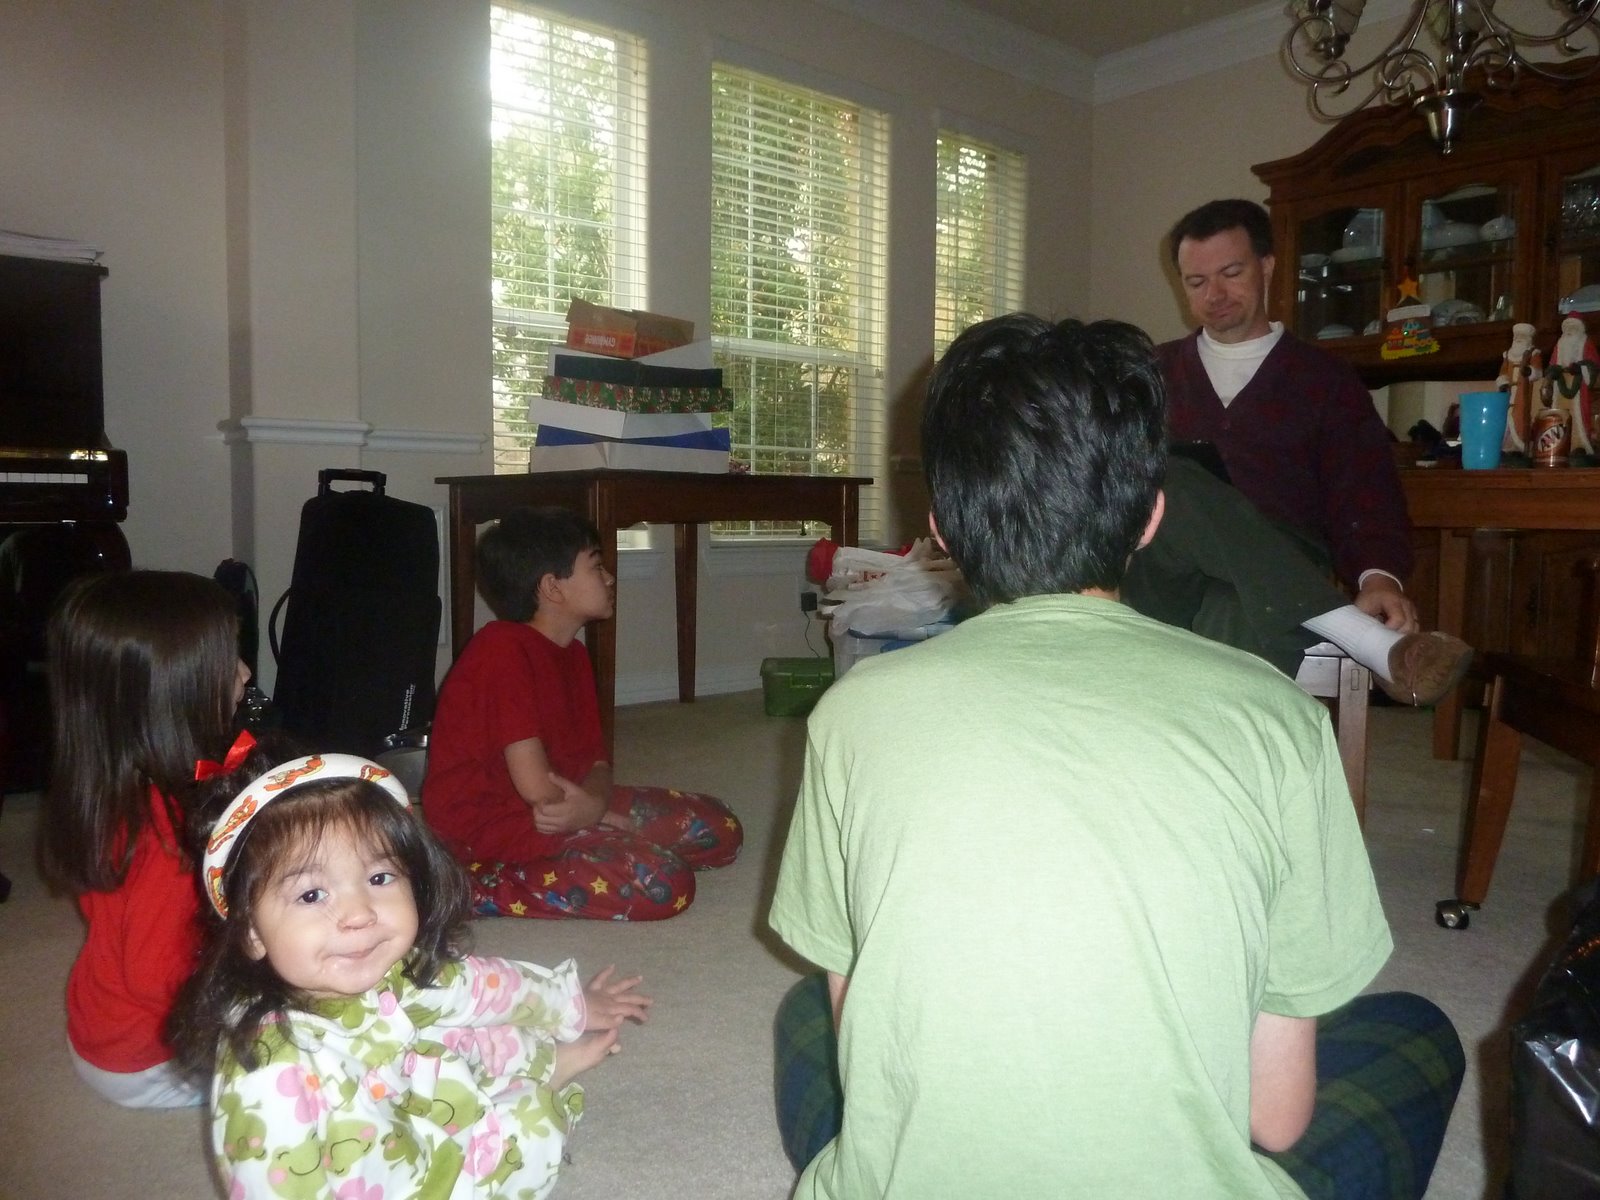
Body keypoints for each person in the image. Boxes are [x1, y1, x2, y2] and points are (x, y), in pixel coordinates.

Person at [768, 315, 1463, 1198]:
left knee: (814, 1015)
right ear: (1152, 518)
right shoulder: (1281, 721)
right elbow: (1276, 1118)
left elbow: (862, 1053)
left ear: (940, 526)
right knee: (1417, 1034)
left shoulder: (849, 713)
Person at [168, 734, 650, 1199]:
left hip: (420, 1116)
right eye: (311, 895)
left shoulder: (395, 973)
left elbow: (488, 986)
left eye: (379, 878)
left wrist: (572, 1004)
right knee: (534, 1123)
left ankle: (541, 1065)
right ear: (252, 932)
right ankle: (532, 1085)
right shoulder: (268, 1072)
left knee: (467, 1019)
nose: (358, 914)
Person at [1134, 197, 1471, 704]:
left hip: (1284, 569)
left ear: (1267, 267)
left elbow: (1365, 491)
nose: (1214, 294)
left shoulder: (1325, 380)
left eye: (1231, 273)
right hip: (1164, 570)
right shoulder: (1149, 377)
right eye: (1196, 282)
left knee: (1236, 610)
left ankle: (1205, 752)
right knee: (1175, 479)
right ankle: (1366, 640)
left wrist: (1379, 576)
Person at [422, 506, 743, 920]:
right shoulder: (500, 650)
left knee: (720, 830)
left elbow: (597, 763)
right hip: (492, 828)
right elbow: (536, 788)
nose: (609, 578)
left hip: (569, 807)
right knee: (663, 883)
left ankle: (597, 849)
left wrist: (595, 804)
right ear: (552, 588)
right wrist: (601, 815)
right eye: (596, 566)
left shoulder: (573, 654)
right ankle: (461, 887)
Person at [37, 569, 248, 1109]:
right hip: (150, 1058)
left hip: (103, 1028)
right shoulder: (170, 842)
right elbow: (161, 981)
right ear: (173, 695)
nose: (245, 673)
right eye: (228, 664)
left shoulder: (109, 786)